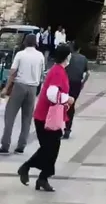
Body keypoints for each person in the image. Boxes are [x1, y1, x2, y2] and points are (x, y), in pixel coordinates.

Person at [17, 43, 73, 192]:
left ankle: (42, 178)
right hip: (45, 117)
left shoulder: (58, 70)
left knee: (51, 148)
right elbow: (52, 94)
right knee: (50, 149)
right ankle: (28, 168)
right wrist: (67, 99)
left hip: (47, 116)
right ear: (67, 56)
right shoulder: (57, 72)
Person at [0, 33, 45, 155]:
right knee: (27, 118)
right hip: (33, 88)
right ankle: (21, 145)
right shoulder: (40, 56)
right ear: (36, 42)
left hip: (19, 85)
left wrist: (6, 88)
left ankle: (5, 144)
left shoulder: (20, 54)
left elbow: (13, 72)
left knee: (10, 115)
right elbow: (42, 74)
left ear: (24, 42)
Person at [64, 41, 89, 139]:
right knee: (71, 104)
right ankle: (67, 128)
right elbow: (87, 73)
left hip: (66, 82)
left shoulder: (67, 57)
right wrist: (82, 83)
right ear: (79, 49)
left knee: (62, 102)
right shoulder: (83, 58)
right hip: (76, 83)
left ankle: (59, 125)